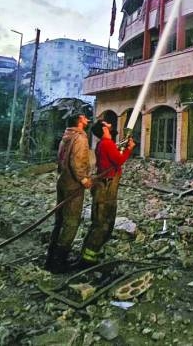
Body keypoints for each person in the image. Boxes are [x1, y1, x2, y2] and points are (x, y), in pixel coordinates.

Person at [79, 117, 135, 267]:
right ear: (104, 129)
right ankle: (88, 259)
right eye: (107, 124)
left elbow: (112, 155)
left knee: (100, 221)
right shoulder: (107, 143)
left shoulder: (103, 144)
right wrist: (129, 149)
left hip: (105, 185)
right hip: (107, 187)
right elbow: (119, 160)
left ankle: (90, 253)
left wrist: (122, 145)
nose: (110, 125)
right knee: (103, 222)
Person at [45, 112, 93, 273]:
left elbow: (61, 159)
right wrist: (83, 179)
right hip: (73, 184)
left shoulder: (66, 136)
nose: (87, 119)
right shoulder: (80, 138)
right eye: (84, 117)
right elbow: (77, 161)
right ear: (79, 120)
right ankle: (59, 261)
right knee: (71, 222)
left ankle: (51, 256)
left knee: (60, 220)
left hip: (62, 181)